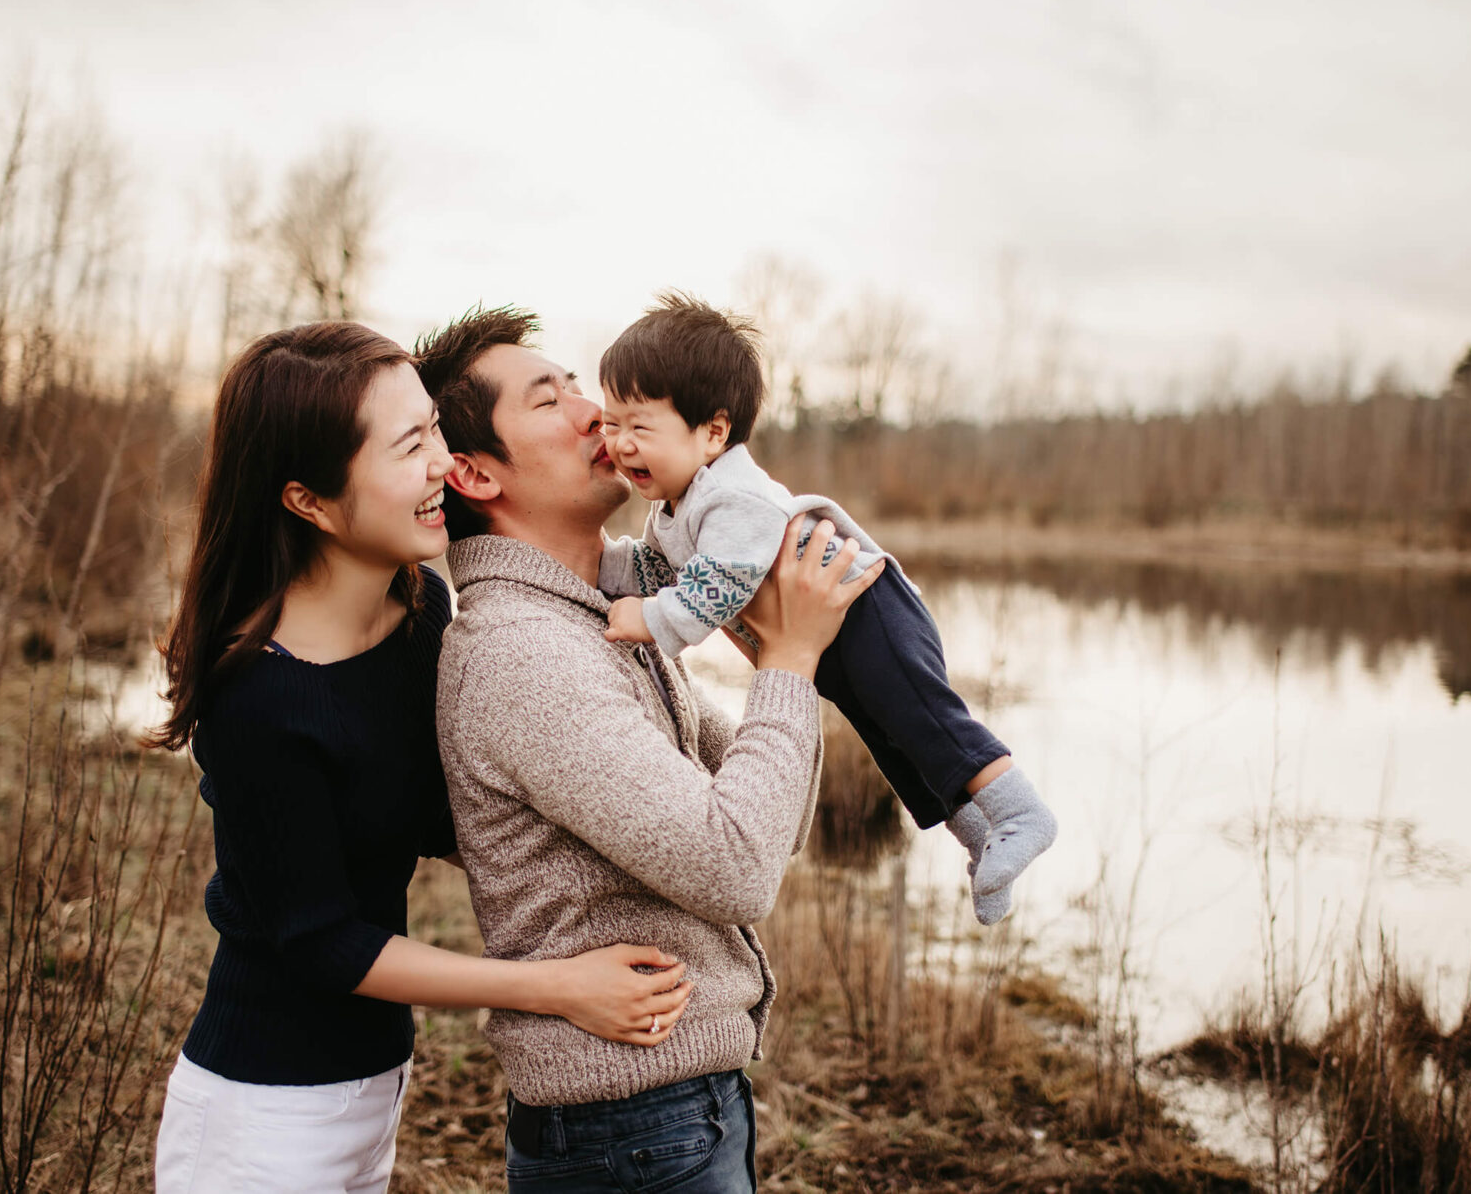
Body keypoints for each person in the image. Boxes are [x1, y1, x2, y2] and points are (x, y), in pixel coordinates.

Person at [145, 321, 693, 1194]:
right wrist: (554, 986)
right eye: (409, 446)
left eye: (433, 428)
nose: (443, 463)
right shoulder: (258, 696)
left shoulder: (424, 621)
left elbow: (460, 815)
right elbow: (324, 943)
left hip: (372, 1091)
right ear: (310, 502)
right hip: (261, 1113)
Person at [416, 306, 881, 1193]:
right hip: (630, 1130)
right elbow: (738, 866)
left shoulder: (599, 616)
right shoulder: (525, 654)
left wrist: (772, 646)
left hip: (666, 1118)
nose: (598, 414)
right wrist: (788, 660)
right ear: (474, 472)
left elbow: (774, 829)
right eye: (550, 399)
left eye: (578, 385)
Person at [596, 293, 1057, 925]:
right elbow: (658, 571)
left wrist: (652, 621)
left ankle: (1021, 811)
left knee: (923, 716)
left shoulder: (730, 495)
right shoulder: (674, 507)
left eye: (639, 426)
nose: (619, 444)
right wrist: (597, 566)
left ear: (714, 432)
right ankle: (980, 835)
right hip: (828, 629)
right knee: (892, 738)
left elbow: (721, 582)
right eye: (610, 423)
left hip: (869, 608)